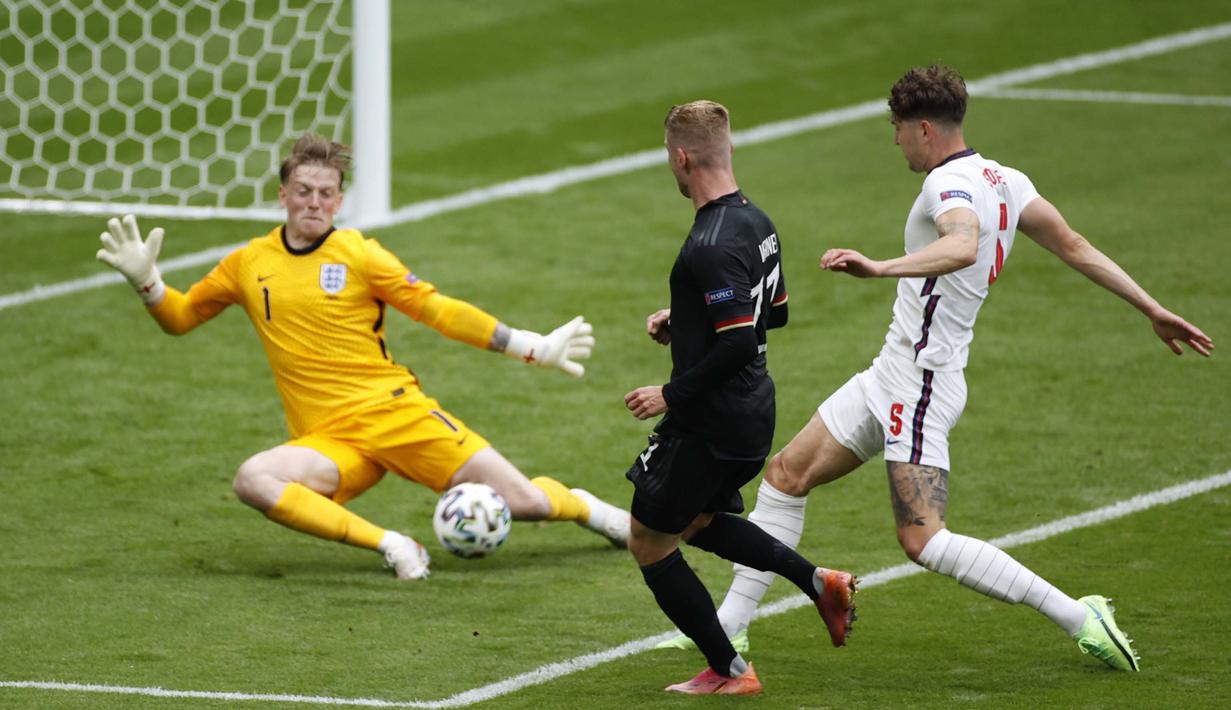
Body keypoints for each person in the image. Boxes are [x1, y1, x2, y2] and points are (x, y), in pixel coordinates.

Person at [661, 65, 1213, 671]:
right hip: (892, 372)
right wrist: (1153, 308)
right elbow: (1074, 244)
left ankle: (1080, 614)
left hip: (922, 382)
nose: (894, 140)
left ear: (924, 128)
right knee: (787, 474)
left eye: (897, 128)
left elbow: (961, 244)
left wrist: (879, 267)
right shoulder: (1008, 179)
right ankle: (731, 628)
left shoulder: (947, 185)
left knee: (922, 540)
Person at [95, 132, 630, 581]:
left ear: (339, 199)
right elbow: (181, 317)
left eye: (326, 193)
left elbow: (435, 309)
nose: (314, 203)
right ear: (282, 194)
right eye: (303, 191)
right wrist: (147, 282)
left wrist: (529, 346)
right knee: (253, 480)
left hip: (397, 414)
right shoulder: (246, 263)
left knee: (527, 502)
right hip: (329, 441)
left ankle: (589, 509)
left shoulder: (359, 254)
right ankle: (395, 546)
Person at [623, 100, 857, 696]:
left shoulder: (709, 242)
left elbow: (736, 341)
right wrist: (683, 320)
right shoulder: (757, 222)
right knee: (698, 522)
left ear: (681, 157)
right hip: (752, 412)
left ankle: (730, 671)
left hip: (709, 420)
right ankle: (818, 582)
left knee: (649, 541)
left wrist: (668, 392)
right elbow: (771, 315)